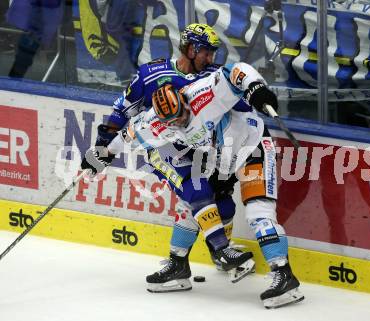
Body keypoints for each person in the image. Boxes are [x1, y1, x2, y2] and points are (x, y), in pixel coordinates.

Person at [83, 60, 304, 308]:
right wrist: (102, 155)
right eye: (172, 121)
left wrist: (255, 87)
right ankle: (178, 265)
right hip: (220, 162)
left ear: (184, 101)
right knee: (191, 203)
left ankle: (284, 275)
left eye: (182, 114)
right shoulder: (152, 123)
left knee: (258, 212)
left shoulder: (204, 94)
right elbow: (126, 137)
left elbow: (235, 71)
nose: (180, 122)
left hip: (253, 149)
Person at [82, 23, 255, 283]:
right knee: (196, 190)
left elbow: (237, 105)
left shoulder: (211, 75)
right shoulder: (150, 74)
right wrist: (102, 148)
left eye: (212, 53)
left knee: (221, 202)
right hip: (163, 148)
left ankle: (187, 261)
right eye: (205, 52)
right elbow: (121, 110)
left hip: (205, 148)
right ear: (190, 49)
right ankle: (220, 251)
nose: (210, 58)